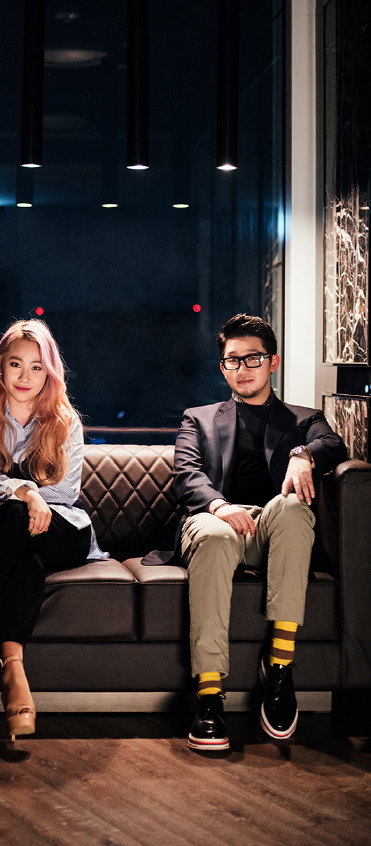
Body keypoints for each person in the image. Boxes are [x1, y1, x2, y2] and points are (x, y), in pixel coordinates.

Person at [173, 314, 347, 751]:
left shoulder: (305, 419)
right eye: (233, 360)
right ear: (223, 368)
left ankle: (280, 666)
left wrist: (303, 455)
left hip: (273, 531)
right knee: (214, 535)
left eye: (253, 358)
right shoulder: (199, 418)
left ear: (273, 362)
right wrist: (220, 506)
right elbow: (187, 474)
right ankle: (209, 695)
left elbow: (333, 445)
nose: (243, 368)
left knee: (292, 506)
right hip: (215, 522)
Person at [0, 319, 106, 740]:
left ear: (49, 372)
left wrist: (26, 496)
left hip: (65, 530)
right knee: (21, 550)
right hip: (15, 534)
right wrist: (27, 494)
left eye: (36, 367)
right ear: (0, 367)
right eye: (15, 364)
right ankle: (14, 673)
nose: (25, 376)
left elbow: (66, 491)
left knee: (11, 512)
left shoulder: (65, 420)